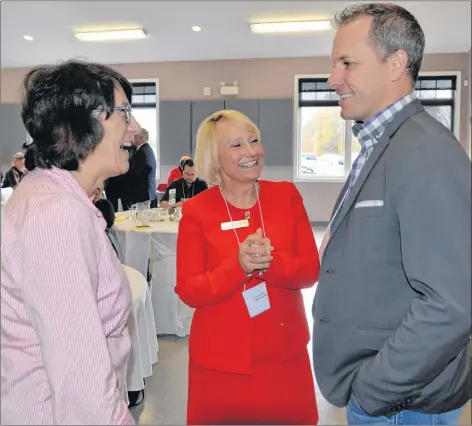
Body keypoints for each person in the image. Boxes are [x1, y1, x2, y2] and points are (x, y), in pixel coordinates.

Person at [312, 3, 471, 425]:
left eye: (347, 63)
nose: (333, 80)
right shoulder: (384, 144)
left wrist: (373, 389)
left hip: (404, 403)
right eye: (333, 65)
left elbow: (452, 303)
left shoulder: (425, 151)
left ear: (396, 64)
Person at [1, 60, 141, 425]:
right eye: (125, 113)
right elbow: (81, 380)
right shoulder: (56, 214)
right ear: (83, 123)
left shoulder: (57, 197)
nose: (137, 129)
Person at [175, 109, 320, 425]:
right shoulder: (197, 210)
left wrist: (270, 262)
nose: (251, 151)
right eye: (237, 145)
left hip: (284, 359)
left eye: (254, 140)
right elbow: (189, 288)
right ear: (214, 158)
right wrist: (238, 267)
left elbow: (310, 270)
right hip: (220, 364)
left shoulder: (286, 196)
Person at [127, 128, 157, 207]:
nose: (132, 138)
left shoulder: (141, 152)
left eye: (134, 136)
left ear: (141, 138)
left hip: (143, 195)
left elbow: (134, 173)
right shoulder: (148, 149)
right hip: (149, 192)